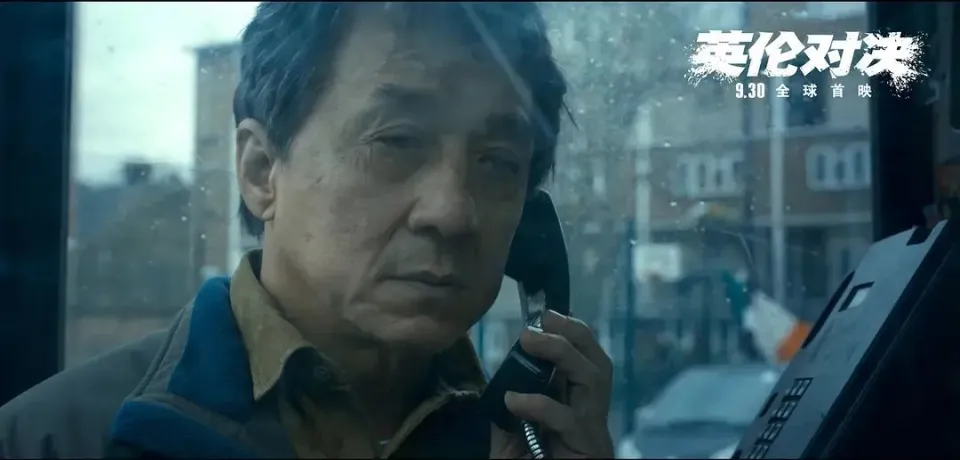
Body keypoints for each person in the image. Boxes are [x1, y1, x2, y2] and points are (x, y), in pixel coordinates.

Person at [0, 2, 615, 458]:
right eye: (396, 141)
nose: (452, 212)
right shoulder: (51, 439)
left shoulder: (517, 438)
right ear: (260, 170)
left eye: (498, 163)